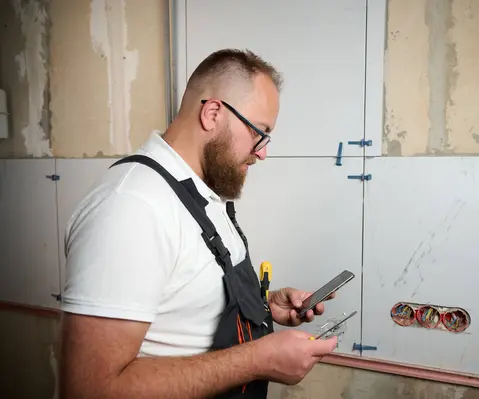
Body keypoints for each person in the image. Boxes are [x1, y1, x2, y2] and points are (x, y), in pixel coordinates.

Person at [58, 48, 338, 399]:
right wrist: (257, 359)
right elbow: (89, 389)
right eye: (259, 133)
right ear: (212, 113)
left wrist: (264, 308)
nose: (263, 151)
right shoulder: (131, 207)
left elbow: (185, 305)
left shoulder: (200, 193)